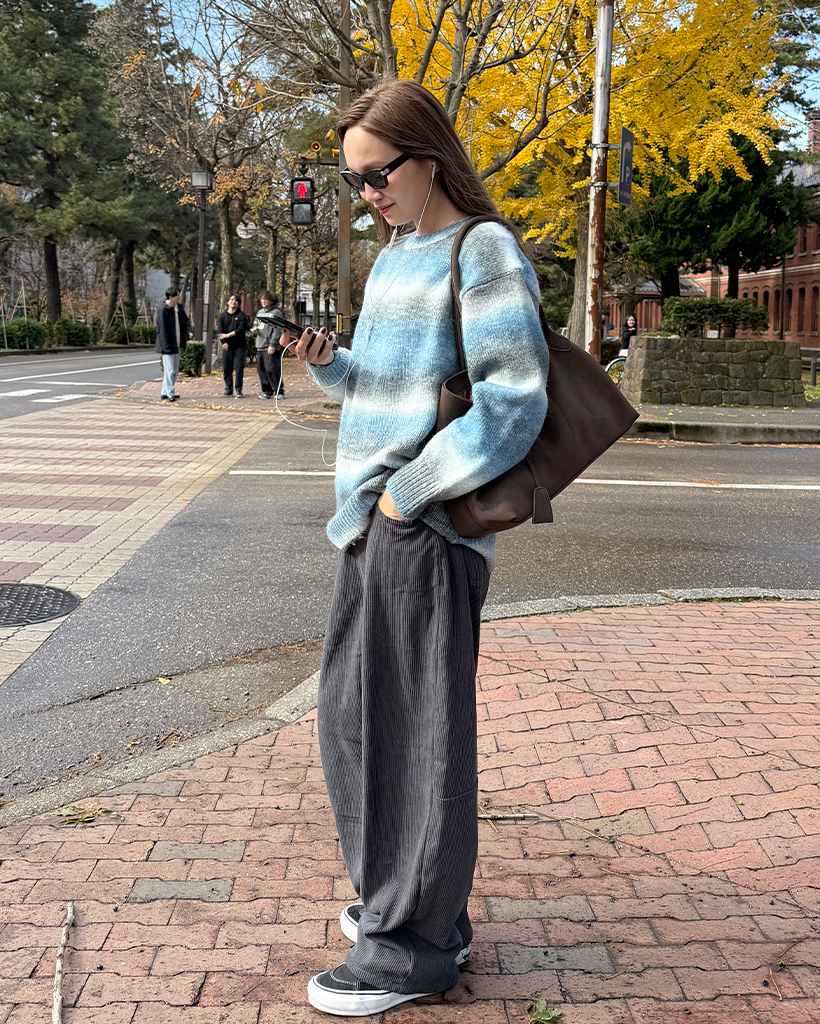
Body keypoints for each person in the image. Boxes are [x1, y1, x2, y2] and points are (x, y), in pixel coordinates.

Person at [285, 79, 550, 1018]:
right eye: (354, 181)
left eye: (378, 174)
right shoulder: (396, 259)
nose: (367, 195)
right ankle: (412, 908)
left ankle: (409, 951)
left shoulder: (484, 251)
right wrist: (332, 366)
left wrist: (411, 492)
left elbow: (515, 400)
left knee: (413, 737)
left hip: (423, 528)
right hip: (371, 522)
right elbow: (388, 389)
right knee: (352, 723)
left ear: (428, 155)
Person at [155, 286, 193, 402]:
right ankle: (170, 392)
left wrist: (188, 331)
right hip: (167, 345)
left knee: (173, 370)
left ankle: (165, 391)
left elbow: (185, 321)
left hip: (177, 343)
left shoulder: (178, 308)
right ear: (170, 297)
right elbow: (162, 330)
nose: (179, 297)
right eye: (177, 295)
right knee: (170, 370)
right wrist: (165, 346)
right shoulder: (163, 310)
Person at [250, 290, 285, 399]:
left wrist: (273, 345)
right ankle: (267, 391)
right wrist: (255, 330)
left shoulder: (276, 313)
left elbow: (278, 329)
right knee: (261, 370)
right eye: (262, 299)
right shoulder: (260, 312)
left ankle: (279, 391)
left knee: (272, 369)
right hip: (260, 345)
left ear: (272, 301)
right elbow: (256, 323)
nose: (263, 302)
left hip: (270, 346)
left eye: (266, 300)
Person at [217, 293, 250, 396]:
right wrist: (224, 342)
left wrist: (228, 335)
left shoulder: (242, 315)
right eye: (231, 300)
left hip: (239, 346)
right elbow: (220, 331)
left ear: (238, 303)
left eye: (236, 300)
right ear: (227, 302)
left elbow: (241, 329)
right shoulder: (222, 316)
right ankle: (228, 388)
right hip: (227, 347)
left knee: (239, 367)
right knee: (227, 368)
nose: (233, 302)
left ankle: (238, 389)